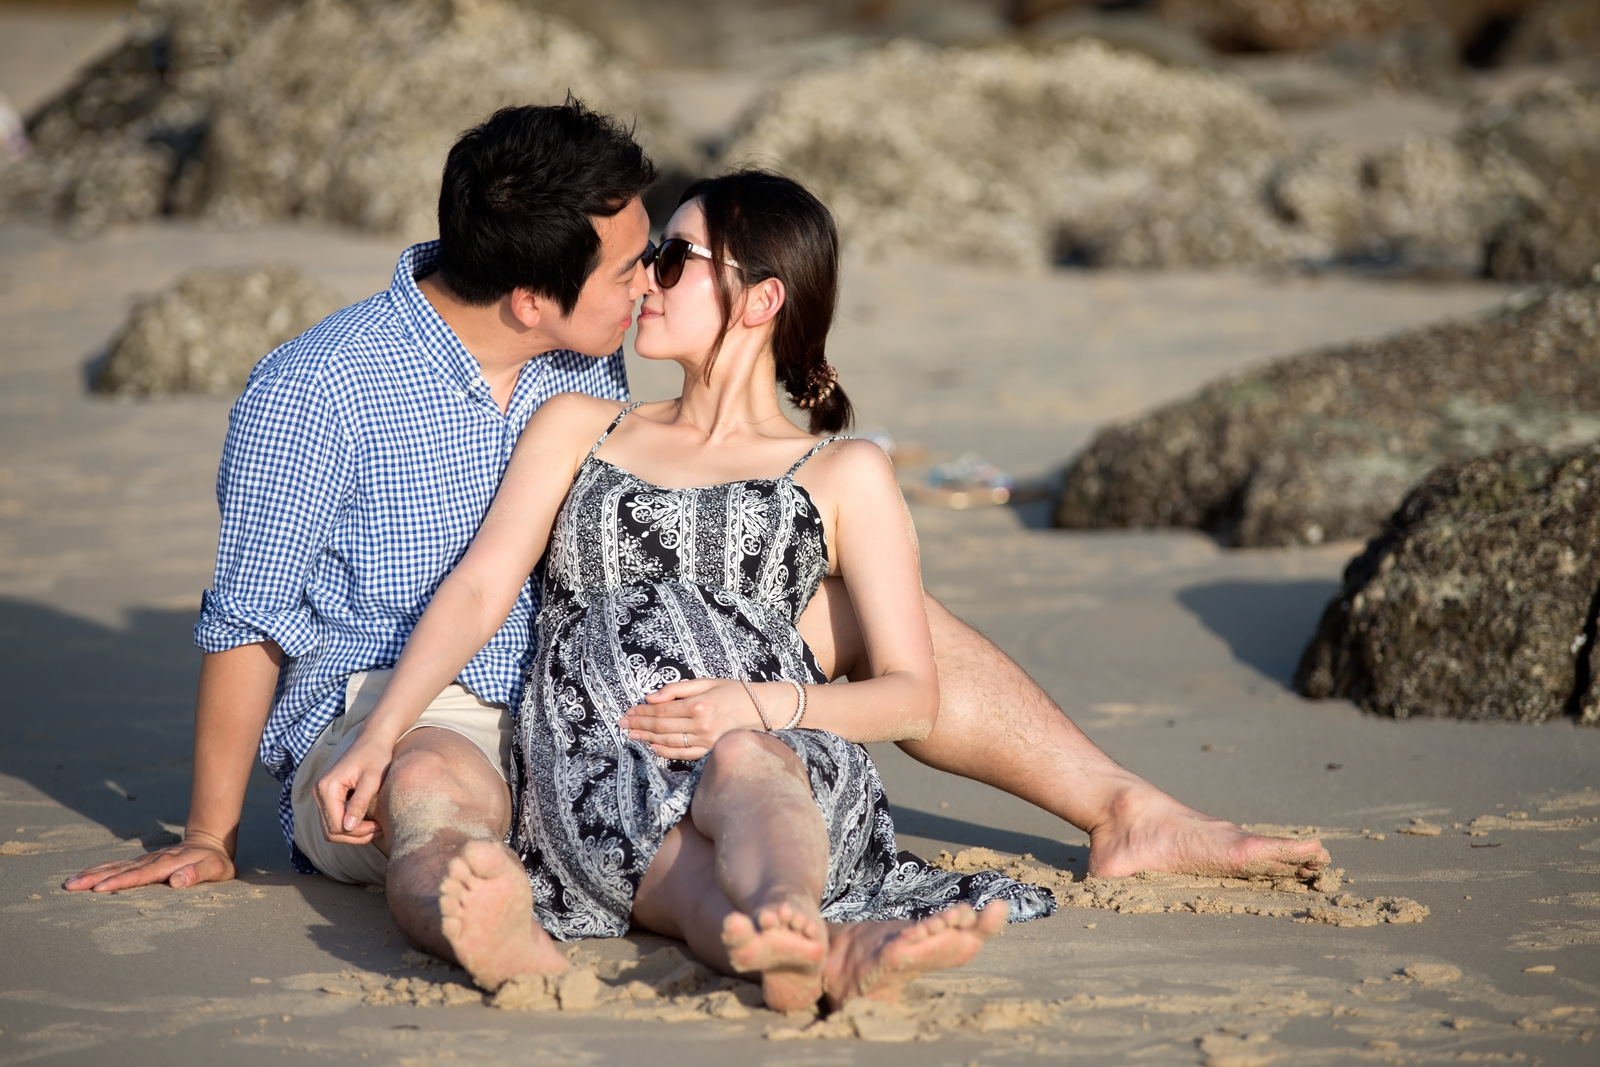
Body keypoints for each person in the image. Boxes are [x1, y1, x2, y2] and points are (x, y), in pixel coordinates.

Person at [63, 101, 1327, 976]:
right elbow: (249, 620)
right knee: (441, 789)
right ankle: (483, 917)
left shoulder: (593, 352)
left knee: (839, 599)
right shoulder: (318, 392)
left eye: (663, 257)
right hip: (409, 699)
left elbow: (735, 433)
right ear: (529, 296)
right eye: (632, 267)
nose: (647, 288)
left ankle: (1123, 806)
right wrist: (211, 831)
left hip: (614, 661)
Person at [322, 171, 1057, 1005]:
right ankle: (811, 953)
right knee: (683, 882)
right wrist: (380, 733)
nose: (644, 279)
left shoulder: (844, 470)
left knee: (746, 763)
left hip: (779, 751)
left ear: (760, 297)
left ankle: (788, 916)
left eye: (673, 257)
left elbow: (912, 697)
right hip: (593, 759)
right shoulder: (579, 422)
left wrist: (758, 706)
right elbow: (482, 587)